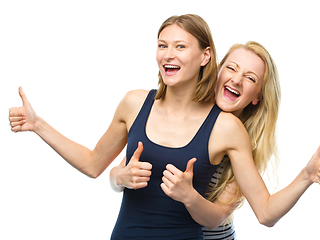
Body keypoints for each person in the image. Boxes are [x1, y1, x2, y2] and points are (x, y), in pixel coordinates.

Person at [9, 14, 221, 240]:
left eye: (180, 46)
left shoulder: (223, 125)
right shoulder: (134, 104)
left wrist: (189, 196)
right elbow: (92, 164)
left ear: (205, 56)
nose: (168, 55)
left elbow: (225, 216)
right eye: (162, 45)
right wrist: (37, 124)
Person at [110, 41, 320, 239]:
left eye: (250, 78)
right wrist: (118, 177)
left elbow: (262, 213)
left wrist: (306, 176)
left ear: (258, 96)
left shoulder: (241, 143)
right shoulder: (179, 115)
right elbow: (119, 173)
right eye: (231, 68)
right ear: (217, 71)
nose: (237, 80)